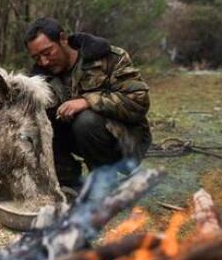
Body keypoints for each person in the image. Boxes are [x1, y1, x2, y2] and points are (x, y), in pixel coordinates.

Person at [24, 17, 151, 189]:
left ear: (63, 39)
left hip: (125, 140)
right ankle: (68, 182)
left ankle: (105, 184)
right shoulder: (39, 79)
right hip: (78, 140)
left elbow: (138, 100)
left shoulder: (109, 58)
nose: (44, 62)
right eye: (37, 58)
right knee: (38, 124)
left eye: (47, 53)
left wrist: (87, 101)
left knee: (86, 120)